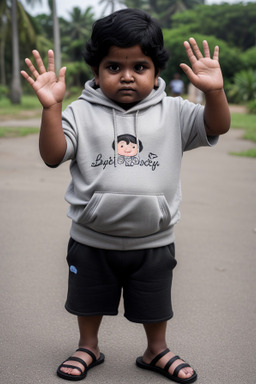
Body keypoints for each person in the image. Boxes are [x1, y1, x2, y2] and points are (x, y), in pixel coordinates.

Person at [21, 8, 230, 383]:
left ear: (157, 70)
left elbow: (217, 125)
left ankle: (156, 350)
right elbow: (53, 155)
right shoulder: (81, 112)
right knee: (88, 299)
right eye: (114, 67)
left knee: (155, 302)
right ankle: (88, 346)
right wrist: (51, 107)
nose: (127, 76)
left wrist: (214, 92)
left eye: (140, 66)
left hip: (154, 239)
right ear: (97, 72)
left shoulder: (175, 111)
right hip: (91, 237)